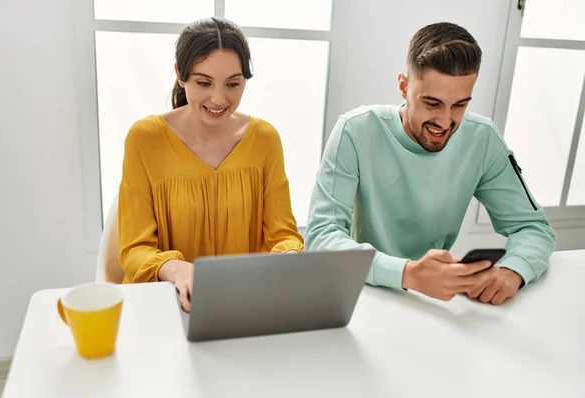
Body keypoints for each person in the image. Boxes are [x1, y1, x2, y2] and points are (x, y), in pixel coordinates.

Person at [305, 22, 556, 306]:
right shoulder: (355, 130)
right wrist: (407, 274)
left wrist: (513, 270)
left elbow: (534, 228)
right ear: (403, 86)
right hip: (365, 294)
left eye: (460, 105)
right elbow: (320, 237)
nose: (445, 121)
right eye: (432, 103)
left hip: (434, 303)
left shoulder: (483, 138)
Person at [118, 17, 303, 311]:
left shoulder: (265, 139)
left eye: (233, 84)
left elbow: (283, 236)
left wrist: (290, 259)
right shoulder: (145, 139)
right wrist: (178, 270)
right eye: (203, 82)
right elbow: (134, 250)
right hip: (167, 306)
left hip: (246, 303)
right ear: (180, 74)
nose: (219, 99)